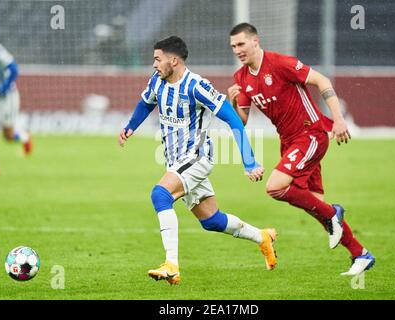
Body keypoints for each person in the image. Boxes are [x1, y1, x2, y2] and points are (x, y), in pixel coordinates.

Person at [119, 36, 277, 285]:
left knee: (160, 195)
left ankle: (172, 265)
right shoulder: (157, 82)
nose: (154, 65)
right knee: (212, 221)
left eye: (157, 59)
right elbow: (145, 103)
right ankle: (263, 237)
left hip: (197, 157)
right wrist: (130, 127)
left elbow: (233, 119)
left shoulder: (197, 86)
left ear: (174, 60)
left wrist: (249, 161)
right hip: (175, 161)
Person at [227, 23, 374, 276]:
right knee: (316, 205)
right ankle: (360, 254)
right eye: (233, 47)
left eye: (241, 44)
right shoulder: (241, 78)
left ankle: (334, 213)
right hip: (289, 142)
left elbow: (321, 80)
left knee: (275, 187)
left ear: (255, 41)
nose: (237, 50)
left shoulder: (280, 63)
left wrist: (338, 119)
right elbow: (241, 121)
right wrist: (232, 101)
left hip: (311, 134)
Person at [0, 23, 32, 178]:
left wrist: (3, 88)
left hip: (7, 97)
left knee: (8, 136)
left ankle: (24, 136)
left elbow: (14, 69)